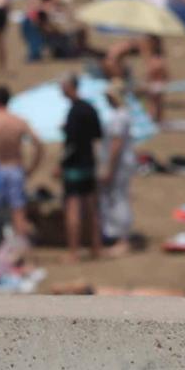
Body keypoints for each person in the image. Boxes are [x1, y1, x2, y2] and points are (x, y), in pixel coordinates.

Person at [0, 84, 42, 249]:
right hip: (14, 168)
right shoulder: (17, 121)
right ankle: (23, 258)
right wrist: (32, 168)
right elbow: (38, 144)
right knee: (18, 214)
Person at [57, 75, 103, 261]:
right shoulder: (90, 108)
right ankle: (95, 247)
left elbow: (71, 144)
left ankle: (73, 251)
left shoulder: (74, 112)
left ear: (70, 87)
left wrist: (60, 164)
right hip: (89, 163)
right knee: (91, 208)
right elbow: (97, 136)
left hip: (74, 166)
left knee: (73, 208)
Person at [100, 83, 137, 257]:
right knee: (117, 197)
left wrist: (109, 167)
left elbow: (116, 144)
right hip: (122, 162)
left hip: (119, 164)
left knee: (119, 198)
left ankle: (123, 239)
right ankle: (116, 235)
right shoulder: (122, 115)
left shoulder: (119, 117)